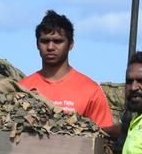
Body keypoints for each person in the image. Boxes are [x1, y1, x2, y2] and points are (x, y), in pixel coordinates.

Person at [19, 10, 119, 138]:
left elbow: (102, 140)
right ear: (37, 44)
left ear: (71, 44)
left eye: (58, 41)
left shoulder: (90, 91)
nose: (50, 47)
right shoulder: (21, 88)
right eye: (45, 41)